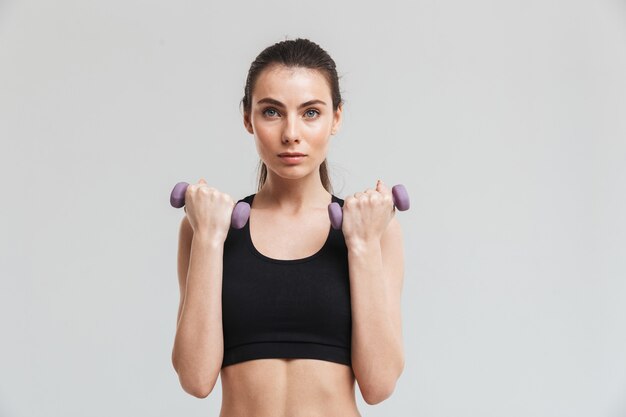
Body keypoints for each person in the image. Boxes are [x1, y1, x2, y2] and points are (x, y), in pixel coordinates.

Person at [171, 37, 405, 416]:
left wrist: (361, 244)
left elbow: (379, 386)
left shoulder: (374, 230)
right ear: (248, 117)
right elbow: (195, 380)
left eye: (311, 112)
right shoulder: (207, 227)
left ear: (337, 118)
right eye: (272, 112)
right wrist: (211, 238)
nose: (291, 133)